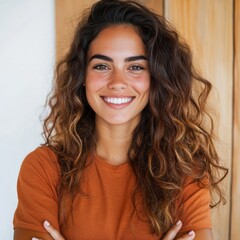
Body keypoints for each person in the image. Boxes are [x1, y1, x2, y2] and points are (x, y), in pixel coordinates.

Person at [13, 0, 227, 239]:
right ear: (82, 75)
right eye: (102, 66)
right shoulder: (43, 169)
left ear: (155, 78)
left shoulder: (186, 171)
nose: (117, 82)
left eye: (135, 67)